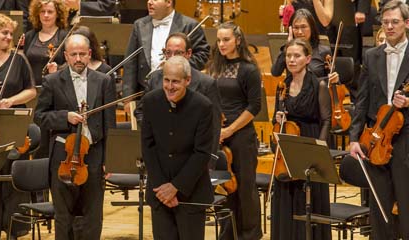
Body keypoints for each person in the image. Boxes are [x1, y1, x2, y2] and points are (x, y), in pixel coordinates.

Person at [34, 34, 116, 240]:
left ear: (89, 54)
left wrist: (110, 160)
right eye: (73, 54)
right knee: (64, 216)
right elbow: (40, 116)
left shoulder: (104, 81)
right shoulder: (52, 81)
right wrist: (65, 117)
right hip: (64, 156)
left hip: (95, 155)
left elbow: (110, 125)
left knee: (92, 216)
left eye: (82, 54)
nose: (78, 59)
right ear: (66, 56)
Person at [339, 1, 409, 239]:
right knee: (380, 211)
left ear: (406, 24)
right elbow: (361, 100)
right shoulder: (371, 56)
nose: (389, 26)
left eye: (395, 22)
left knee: (407, 207)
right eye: (385, 22)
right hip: (377, 140)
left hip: (406, 141)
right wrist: (354, 138)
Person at [141, 55, 214, 240]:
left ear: (187, 80)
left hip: (191, 193)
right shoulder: (150, 101)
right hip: (159, 194)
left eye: (175, 82)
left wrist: (176, 187)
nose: (169, 86)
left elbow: (202, 153)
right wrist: (162, 188)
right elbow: (148, 147)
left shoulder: (203, 106)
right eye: (166, 80)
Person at [0, 13, 36, 239]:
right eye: (4, 32)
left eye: (11, 33)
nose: (9, 37)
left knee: (11, 181)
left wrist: (11, 100)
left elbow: (31, 90)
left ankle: (13, 231)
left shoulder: (18, 60)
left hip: (11, 126)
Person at [206, 22, 262, 240]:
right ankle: (228, 233)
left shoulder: (249, 69)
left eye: (226, 39)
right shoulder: (214, 67)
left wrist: (229, 130)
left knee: (245, 188)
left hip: (241, 136)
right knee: (225, 186)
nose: (221, 44)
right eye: (219, 40)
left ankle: (249, 234)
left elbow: (254, 106)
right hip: (218, 135)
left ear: (238, 40)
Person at [271, 38, 331, 240]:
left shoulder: (318, 85)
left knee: (309, 201)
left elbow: (326, 120)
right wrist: (278, 118)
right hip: (287, 150)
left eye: (296, 56)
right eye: (288, 55)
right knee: (286, 202)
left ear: (308, 59)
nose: (291, 59)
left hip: (309, 145)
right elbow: (275, 121)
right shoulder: (282, 86)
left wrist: (319, 150)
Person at [135, 32, 221, 154]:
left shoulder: (207, 83)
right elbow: (140, 111)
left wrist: (209, 163)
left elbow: (214, 127)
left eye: (178, 53)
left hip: (193, 155)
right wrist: (154, 130)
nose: (173, 57)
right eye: (168, 53)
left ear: (189, 54)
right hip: (160, 153)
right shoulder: (154, 78)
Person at [122, 0, 210, 111]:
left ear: (168, 2)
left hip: (180, 92)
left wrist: (176, 65)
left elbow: (203, 55)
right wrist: (128, 98)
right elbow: (131, 61)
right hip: (147, 91)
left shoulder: (190, 25)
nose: (149, 2)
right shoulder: (139, 24)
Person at [271, 8, 331, 79]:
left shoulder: (324, 51)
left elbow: (332, 81)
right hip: (293, 89)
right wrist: (288, 46)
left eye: (303, 27)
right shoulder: (288, 50)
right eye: (296, 27)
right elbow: (275, 72)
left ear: (311, 28)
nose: (299, 32)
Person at [24, 0, 69, 86]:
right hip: (31, 90)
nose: (46, 15)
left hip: (56, 87)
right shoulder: (30, 36)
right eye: (42, 11)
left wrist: (59, 68)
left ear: (57, 14)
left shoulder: (65, 36)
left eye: (50, 12)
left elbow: (71, 63)